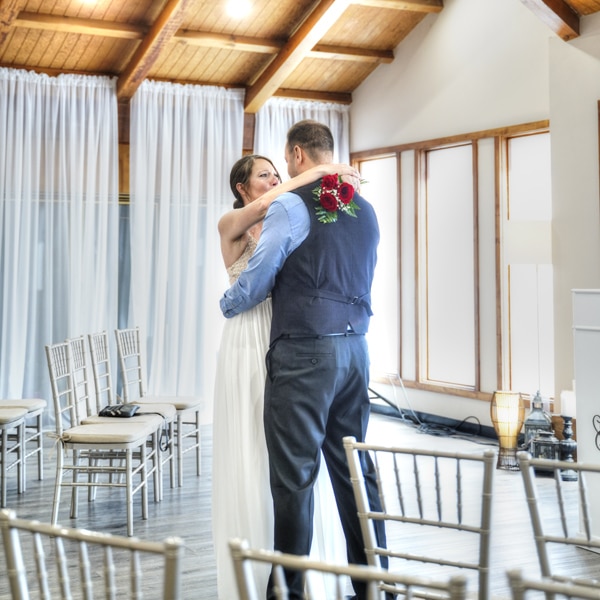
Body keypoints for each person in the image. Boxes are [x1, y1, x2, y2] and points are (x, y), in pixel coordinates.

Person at [220, 121, 389, 600]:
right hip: (357, 350)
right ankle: (376, 586)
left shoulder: (291, 207)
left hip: (303, 353)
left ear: (296, 155)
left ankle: (289, 593)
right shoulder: (367, 210)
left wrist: (225, 306)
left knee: (295, 478)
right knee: (355, 469)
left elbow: (257, 280)